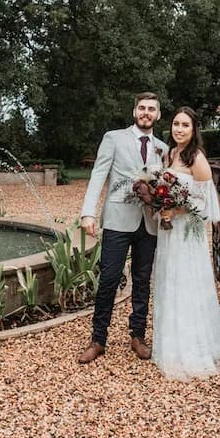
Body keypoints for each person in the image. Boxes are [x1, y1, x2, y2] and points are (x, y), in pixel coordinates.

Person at [151, 107, 220, 381]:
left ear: (194, 129)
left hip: (187, 233)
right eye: (175, 124)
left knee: (186, 283)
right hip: (168, 231)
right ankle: (169, 343)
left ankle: (192, 347)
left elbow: (207, 204)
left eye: (185, 125)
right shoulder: (170, 154)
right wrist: (161, 205)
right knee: (168, 280)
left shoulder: (197, 158)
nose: (179, 129)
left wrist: (178, 211)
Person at [77, 92, 166, 364]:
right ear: (134, 111)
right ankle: (98, 339)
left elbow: (165, 186)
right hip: (117, 219)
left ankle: (137, 336)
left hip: (148, 222)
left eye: (151, 109)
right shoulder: (113, 138)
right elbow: (98, 175)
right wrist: (88, 213)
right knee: (109, 279)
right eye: (142, 108)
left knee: (142, 281)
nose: (146, 113)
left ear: (158, 115)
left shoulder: (163, 148)